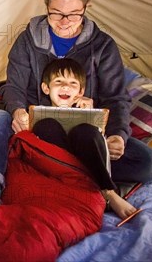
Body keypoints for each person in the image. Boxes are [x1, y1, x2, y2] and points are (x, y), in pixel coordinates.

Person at [0, 0, 152, 209]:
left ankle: (65, 170)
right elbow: (13, 87)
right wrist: (18, 111)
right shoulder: (27, 40)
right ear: (46, 6)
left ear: (86, 7)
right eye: (57, 13)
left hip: (85, 136)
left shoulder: (103, 46)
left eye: (74, 14)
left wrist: (117, 135)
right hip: (37, 130)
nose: (65, 22)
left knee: (151, 165)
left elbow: (116, 97)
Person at [32, 58, 136, 218]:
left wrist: (91, 116)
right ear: (46, 88)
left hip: (89, 161)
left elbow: (100, 145)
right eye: (58, 81)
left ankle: (108, 191)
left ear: (81, 92)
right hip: (61, 173)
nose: (65, 86)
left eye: (73, 83)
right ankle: (82, 190)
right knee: (46, 126)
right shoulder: (41, 116)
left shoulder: (88, 109)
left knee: (86, 131)